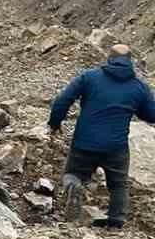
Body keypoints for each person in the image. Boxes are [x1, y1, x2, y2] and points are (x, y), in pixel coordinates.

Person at [48, 44, 155, 229]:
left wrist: (55, 123)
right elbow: (151, 115)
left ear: (109, 58)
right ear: (130, 61)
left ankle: (74, 187)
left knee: (72, 174)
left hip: (84, 142)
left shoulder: (89, 77)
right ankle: (116, 222)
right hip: (116, 147)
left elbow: (63, 99)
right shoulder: (139, 87)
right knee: (119, 184)